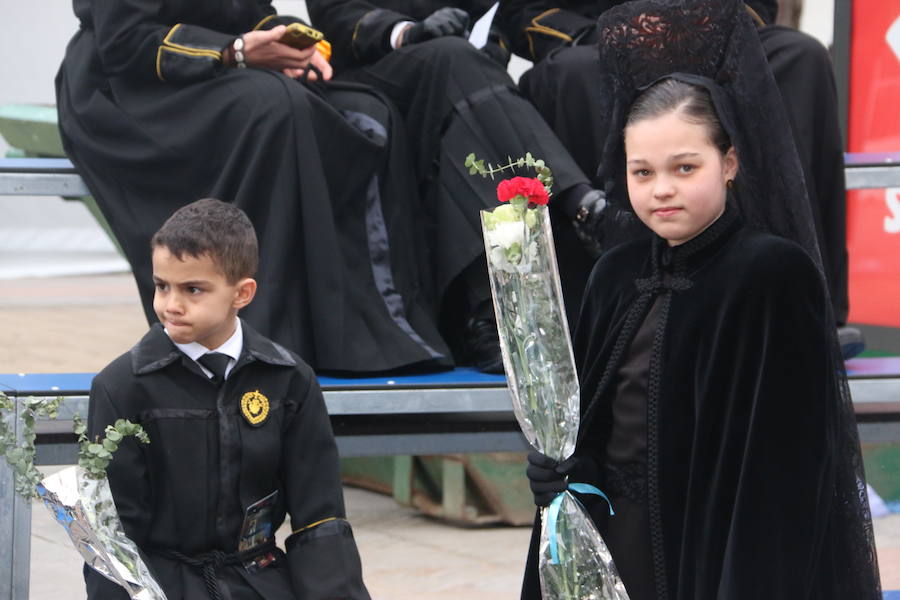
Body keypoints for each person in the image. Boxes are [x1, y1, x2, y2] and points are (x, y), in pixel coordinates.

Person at [521, 1, 881, 598]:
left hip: (719, 558)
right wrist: (560, 473)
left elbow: (788, 474)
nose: (661, 189)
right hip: (616, 548)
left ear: (730, 161)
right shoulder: (616, 273)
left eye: (685, 167)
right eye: (642, 172)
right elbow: (597, 425)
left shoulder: (772, 275)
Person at [57, 0, 452, 375]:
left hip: (220, 76)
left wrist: (287, 45)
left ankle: (375, 333)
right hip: (126, 93)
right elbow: (126, 43)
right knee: (274, 108)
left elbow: (252, 15)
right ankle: (255, 340)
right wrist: (234, 51)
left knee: (370, 115)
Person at [498, 0, 863, 356]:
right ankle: (616, 318)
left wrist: (698, 26)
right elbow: (524, 14)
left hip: (711, 32)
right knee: (570, 74)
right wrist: (619, 34)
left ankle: (805, 304)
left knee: (800, 55)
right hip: (598, 46)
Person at [84, 199, 371, 600]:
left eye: (193, 289)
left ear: (243, 293)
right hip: (163, 586)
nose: (171, 305)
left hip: (259, 580)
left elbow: (319, 517)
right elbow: (111, 534)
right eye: (161, 285)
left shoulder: (288, 380)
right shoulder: (121, 386)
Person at [305, 0, 610, 369]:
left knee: (471, 104)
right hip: (372, 68)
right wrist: (405, 31)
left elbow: (497, 15)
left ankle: (488, 316)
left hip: (460, 66)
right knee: (462, 72)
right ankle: (579, 203)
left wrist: (490, 43)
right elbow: (336, 14)